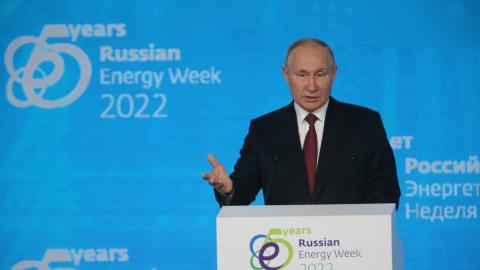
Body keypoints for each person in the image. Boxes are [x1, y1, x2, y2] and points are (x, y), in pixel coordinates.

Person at [201, 38, 400, 207]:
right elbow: (242, 191)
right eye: (302, 74)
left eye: (320, 74)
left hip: (350, 249)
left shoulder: (364, 123)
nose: (311, 86)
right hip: (288, 247)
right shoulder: (264, 130)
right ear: (286, 75)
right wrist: (227, 190)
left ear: (334, 73)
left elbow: (386, 190)